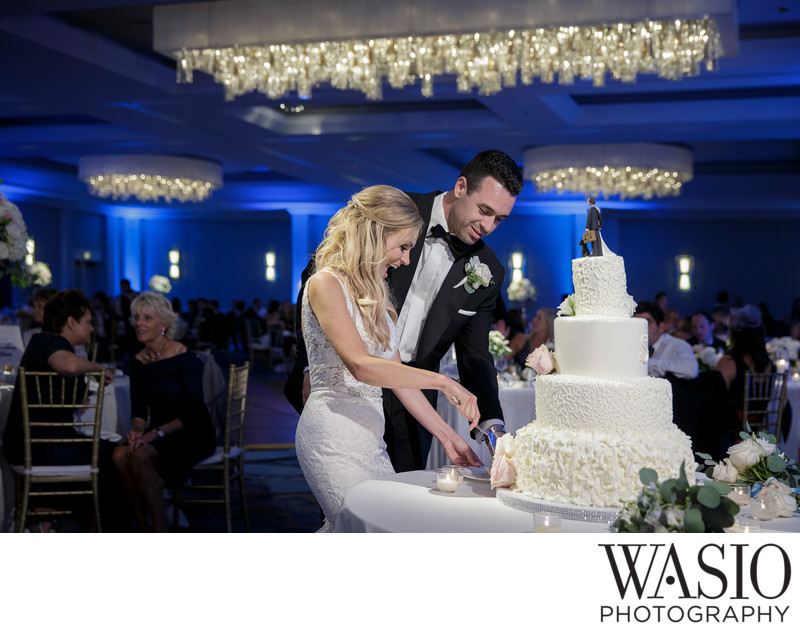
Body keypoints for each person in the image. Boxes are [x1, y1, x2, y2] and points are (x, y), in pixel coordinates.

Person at [287, 149, 523, 472]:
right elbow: (318, 282)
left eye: (499, 219)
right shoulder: (394, 215)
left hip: (415, 396)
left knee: (402, 504)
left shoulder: (489, 270)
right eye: (484, 211)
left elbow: (476, 358)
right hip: (348, 393)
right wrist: (311, 365)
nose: (489, 226)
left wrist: (491, 429)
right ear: (461, 187)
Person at [296, 185, 484, 530]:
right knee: (363, 531)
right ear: (375, 234)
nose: (405, 259)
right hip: (332, 437)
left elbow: (396, 376)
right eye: (403, 246)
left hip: (371, 440)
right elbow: (361, 366)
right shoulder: (325, 283)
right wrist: (442, 381)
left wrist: (447, 435)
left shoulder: (376, 295)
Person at [2, 289, 123, 530]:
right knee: (117, 456)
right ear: (70, 322)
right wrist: (98, 368)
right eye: (88, 322)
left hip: (32, 444)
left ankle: (49, 509)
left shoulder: (43, 342)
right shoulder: (51, 342)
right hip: (39, 446)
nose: (91, 328)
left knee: (113, 452)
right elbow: (67, 365)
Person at [112, 291, 216, 532]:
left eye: (147, 318)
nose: (138, 323)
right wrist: (138, 431)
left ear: (164, 324)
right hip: (158, 432)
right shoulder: (138, 361)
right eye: (137, 317)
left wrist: (152, 435)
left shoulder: (184, 357)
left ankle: (160, 527)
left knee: (138, 455)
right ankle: (142, 525)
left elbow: (192, 412)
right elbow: (139, 409)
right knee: (119, 454)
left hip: (192, 432)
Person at [634, 300, 698, 380]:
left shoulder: (676, 344)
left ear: (661, 327)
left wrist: (647, 364)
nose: (640, 328)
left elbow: (690, 369)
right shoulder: (632, 346)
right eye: (636, 324)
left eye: (647, 323)